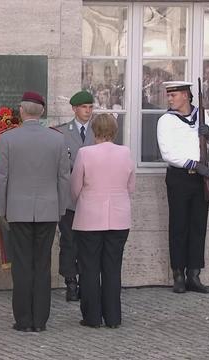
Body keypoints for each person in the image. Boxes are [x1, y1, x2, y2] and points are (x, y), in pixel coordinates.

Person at [0, 91, 70, 332]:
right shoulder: (57, 139)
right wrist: (60, 208)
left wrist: (0, 209)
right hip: (48, 210)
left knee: (22, 265)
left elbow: (1, 178)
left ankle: (24, 320)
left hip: (18, 209)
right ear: (42, 112)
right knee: (42, 265)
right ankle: (40, 321)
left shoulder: (8, 138)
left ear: (22, 111)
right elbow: (63, 178)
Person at [71, 113, 135, 329]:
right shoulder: (125, 152)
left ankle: (92, 317)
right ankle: (113, 317)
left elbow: (75, 187)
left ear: (93, 130)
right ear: (114, 131)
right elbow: (131, 186)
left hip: (90, 217)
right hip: (118, 217)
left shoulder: (84, 153)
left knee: (89, 268)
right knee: (112, 268)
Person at [156, 81, 209, 294]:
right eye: (169, 95)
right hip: (180, 178)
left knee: (198, 226)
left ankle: (194, 274)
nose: (170, 99)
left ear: (186, 95)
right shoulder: (166, 120)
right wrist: (195, 165)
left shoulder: (201, 115)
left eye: (174, 95)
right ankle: (178, 274)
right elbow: (168, 154)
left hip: (200, 180)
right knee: (179, 226)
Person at [55, 90, 95, 302]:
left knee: (88, 242)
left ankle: (87, 281)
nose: (87, 111)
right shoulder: (62, 133)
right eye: (83, 107)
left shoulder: (98, 131)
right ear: (74, 109)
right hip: (69, 196)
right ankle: (70, 281)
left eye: (90, 107)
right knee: (69, 241)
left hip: (91, 195)